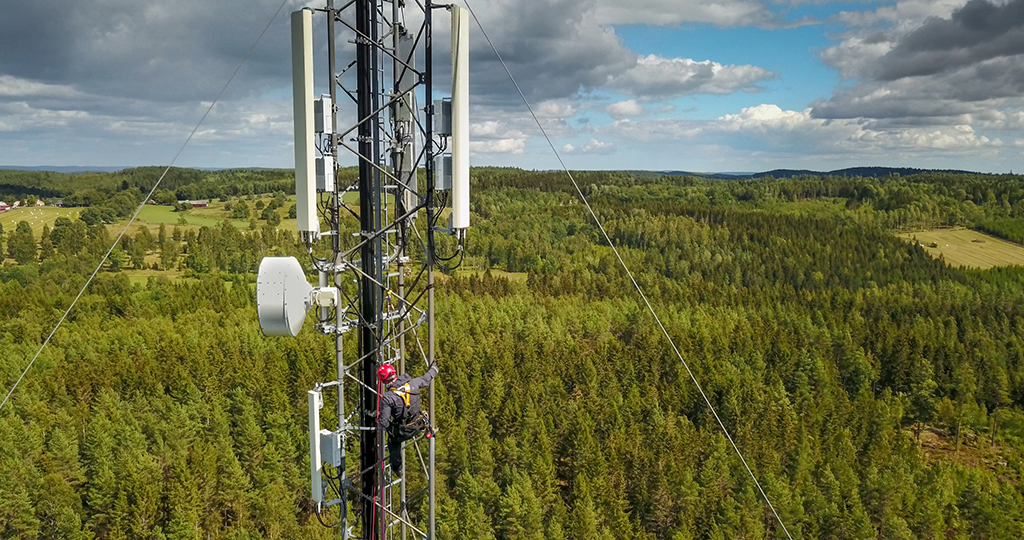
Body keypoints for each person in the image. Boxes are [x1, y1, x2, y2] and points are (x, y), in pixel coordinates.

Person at [376, 362, 438, 473]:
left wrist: (391, 428)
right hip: (420, 423)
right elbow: (426, 379)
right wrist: (434, 369)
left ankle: (397, 467)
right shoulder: (412, 383)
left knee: (393, 442)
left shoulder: (388, 398)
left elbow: (383, 422)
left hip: (404, 431)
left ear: (383, 381)